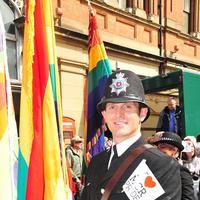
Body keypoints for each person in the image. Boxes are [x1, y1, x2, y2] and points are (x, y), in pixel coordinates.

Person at [81, 70, 182, 199]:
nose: (119, 114)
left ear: (142, 113)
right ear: (104, 115)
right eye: (112, 107)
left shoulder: (161, 165)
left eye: (127, 107)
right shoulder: (96, 162)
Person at [153, 131, 195, 200]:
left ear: (176, 153)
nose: (165, 151)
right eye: (162, 147)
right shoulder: (151, 167)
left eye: (171, 148)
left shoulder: (182, 171)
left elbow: (188, 197)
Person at [66, 136, 84, 200]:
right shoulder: (69, 152)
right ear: (75, 143)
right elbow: (68, 167)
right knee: (74, 196)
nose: (81, 143)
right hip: (73, 179)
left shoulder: (80, 152)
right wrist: (76, 178)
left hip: (81, 178)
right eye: (80, 142)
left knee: (80, 196)